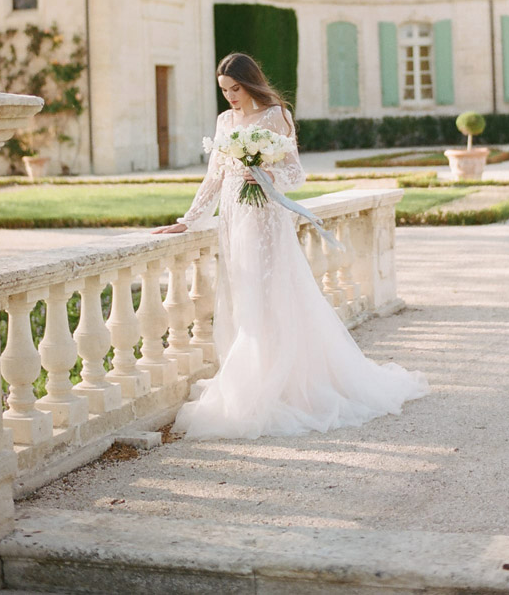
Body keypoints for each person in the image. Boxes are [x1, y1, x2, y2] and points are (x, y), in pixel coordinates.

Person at [153, 53, 429, 439]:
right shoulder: (224, 121)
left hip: (265, 219)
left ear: (250, 83)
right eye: (224, 91)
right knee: (243, 296)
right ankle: (259, 375)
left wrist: (266, 171)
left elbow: (295, 173)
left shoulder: (275, 115)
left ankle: (284, 384)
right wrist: (189, 219)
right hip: (234, 219)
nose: (230, 97)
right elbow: (214, 177)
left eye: (235, 89)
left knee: (271, 296)